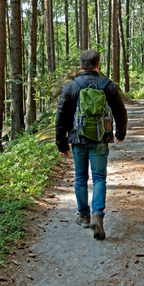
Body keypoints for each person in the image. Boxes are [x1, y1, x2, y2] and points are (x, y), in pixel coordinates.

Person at [55, 49, 128, 240]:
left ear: (81, 67)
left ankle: (84, 216)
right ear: (98, 65)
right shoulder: (108, 85)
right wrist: (120, 133)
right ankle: (98, 215)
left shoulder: (71, 87)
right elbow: (120, 112)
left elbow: (61, 117)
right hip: (100, 139)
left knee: (80, 177)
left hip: (77, 139)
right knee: (99, 178)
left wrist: (61, 143)